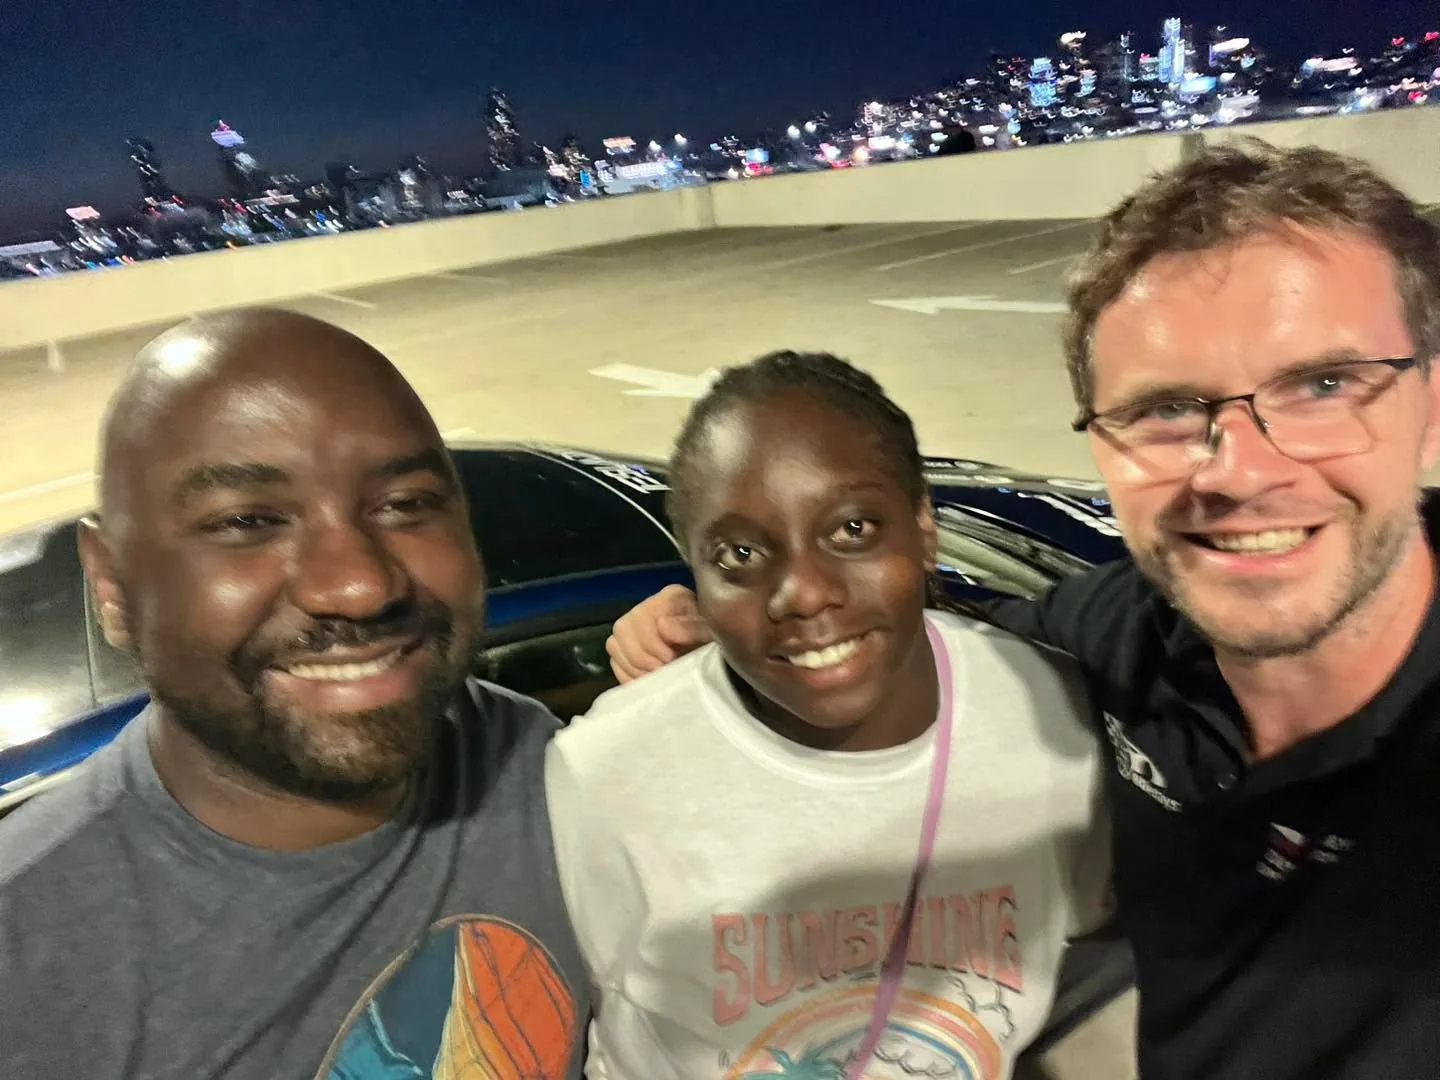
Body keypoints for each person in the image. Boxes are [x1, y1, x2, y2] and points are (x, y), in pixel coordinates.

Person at [602, 139, 1440, 1079]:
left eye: (1324, 386)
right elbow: (928, 641)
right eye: (1165, 409)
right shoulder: (1112, 642)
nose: (1240, 471)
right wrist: (717, 627)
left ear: (1434, 404)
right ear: (1102, 443)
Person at [0, 309, 588, 1079]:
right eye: (247, 521)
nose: (359, 584)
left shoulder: (545, 765)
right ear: (112, 583)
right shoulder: (26, 957)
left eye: (405, 504)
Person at [545, 351, 1112, 1079]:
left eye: (852, 530)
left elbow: (1082, 945)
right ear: (695, 570)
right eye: (740, 552)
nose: (804, 593)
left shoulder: (1045, 709)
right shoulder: (607, 769)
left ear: (924, 525)